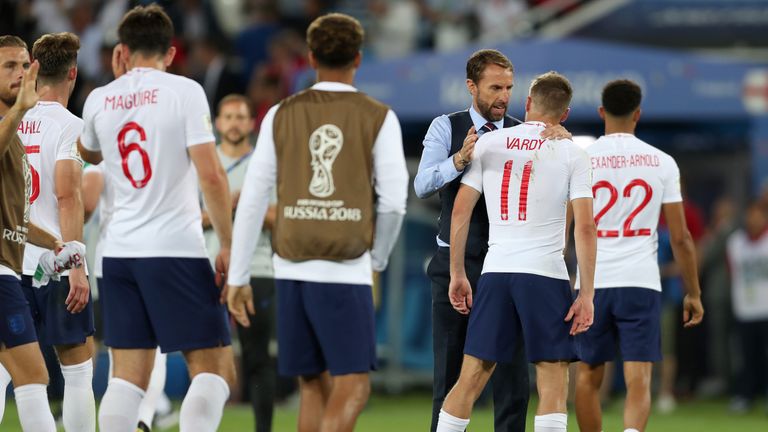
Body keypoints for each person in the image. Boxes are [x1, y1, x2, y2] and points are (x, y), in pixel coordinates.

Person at [226, 13, 408, 432]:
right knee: (354, 385)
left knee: (312, 384)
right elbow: (395, 203)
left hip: (289, 267)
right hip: (346, 268)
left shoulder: (278, 114)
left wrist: (238, 276)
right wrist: (375, 257)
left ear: (310, 57)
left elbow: (253, 199)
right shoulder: (379, 116)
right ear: (358, 59)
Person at [76, 5, 236, 431]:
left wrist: (117, 86)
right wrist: (229, 245)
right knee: (216, 369)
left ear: (121, 51)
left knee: (127, 379)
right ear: (171, 51)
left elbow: (90, 152)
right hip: (175, 249)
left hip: (119, 257)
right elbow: (211, 175)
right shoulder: (185, 91)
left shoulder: (99, 99)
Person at [414, 48, 571, 432]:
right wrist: (459, 159)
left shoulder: (522, 135)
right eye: (495, 87)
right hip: (457, 262)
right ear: (471, 87)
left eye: (509, 88)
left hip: (508, 266)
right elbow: (421, 184)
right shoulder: (445, 128)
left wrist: (561, 139)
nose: (504, 96)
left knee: (512, 380)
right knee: (451, 375)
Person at [573, 79, 704, 432]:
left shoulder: (581, 158)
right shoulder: (662, 162)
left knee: (586, 376)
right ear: (638, 114)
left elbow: (567, 226)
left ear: (601, 112)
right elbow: (681, 237)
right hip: (641, 281)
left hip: (591, 283)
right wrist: (693, 291)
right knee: (639, 377)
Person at [8, 32, 95, 432]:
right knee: (77, 372)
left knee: (9, 369)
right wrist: (76, 262)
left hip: (10, 260)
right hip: (55, 262)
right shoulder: (70, 126)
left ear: (33, 69)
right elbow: (66, 196)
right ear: (73, 74)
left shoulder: (9, 122)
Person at [81, 163, 178, 432]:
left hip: (113, 258)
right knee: (157, 350)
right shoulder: (164, 149)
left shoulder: (105, 153)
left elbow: (87, 203)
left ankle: (128, 422)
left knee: (120, 353)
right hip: (161, 256)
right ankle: (143, 419)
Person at [203, 94, 277, 432]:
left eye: (240, 117)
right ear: (218, 123)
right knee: (203, 356)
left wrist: (249, 207)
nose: (234, 123)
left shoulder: (265, 163)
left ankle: (263, 428)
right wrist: (222, 211)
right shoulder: (203, 163)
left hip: (257, 267)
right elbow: (185, 214)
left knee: (258, 357)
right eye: (228, 116)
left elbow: (281, 216)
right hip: (208, 267)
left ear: (251, 124)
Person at [726, 201, 768, 413]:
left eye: (758, 215)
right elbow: (731, 272)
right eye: (750, 215)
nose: (753, 220)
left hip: (766, 308)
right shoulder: (736, 242)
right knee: (746, 357)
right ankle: (745, 396)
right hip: (745, 308)